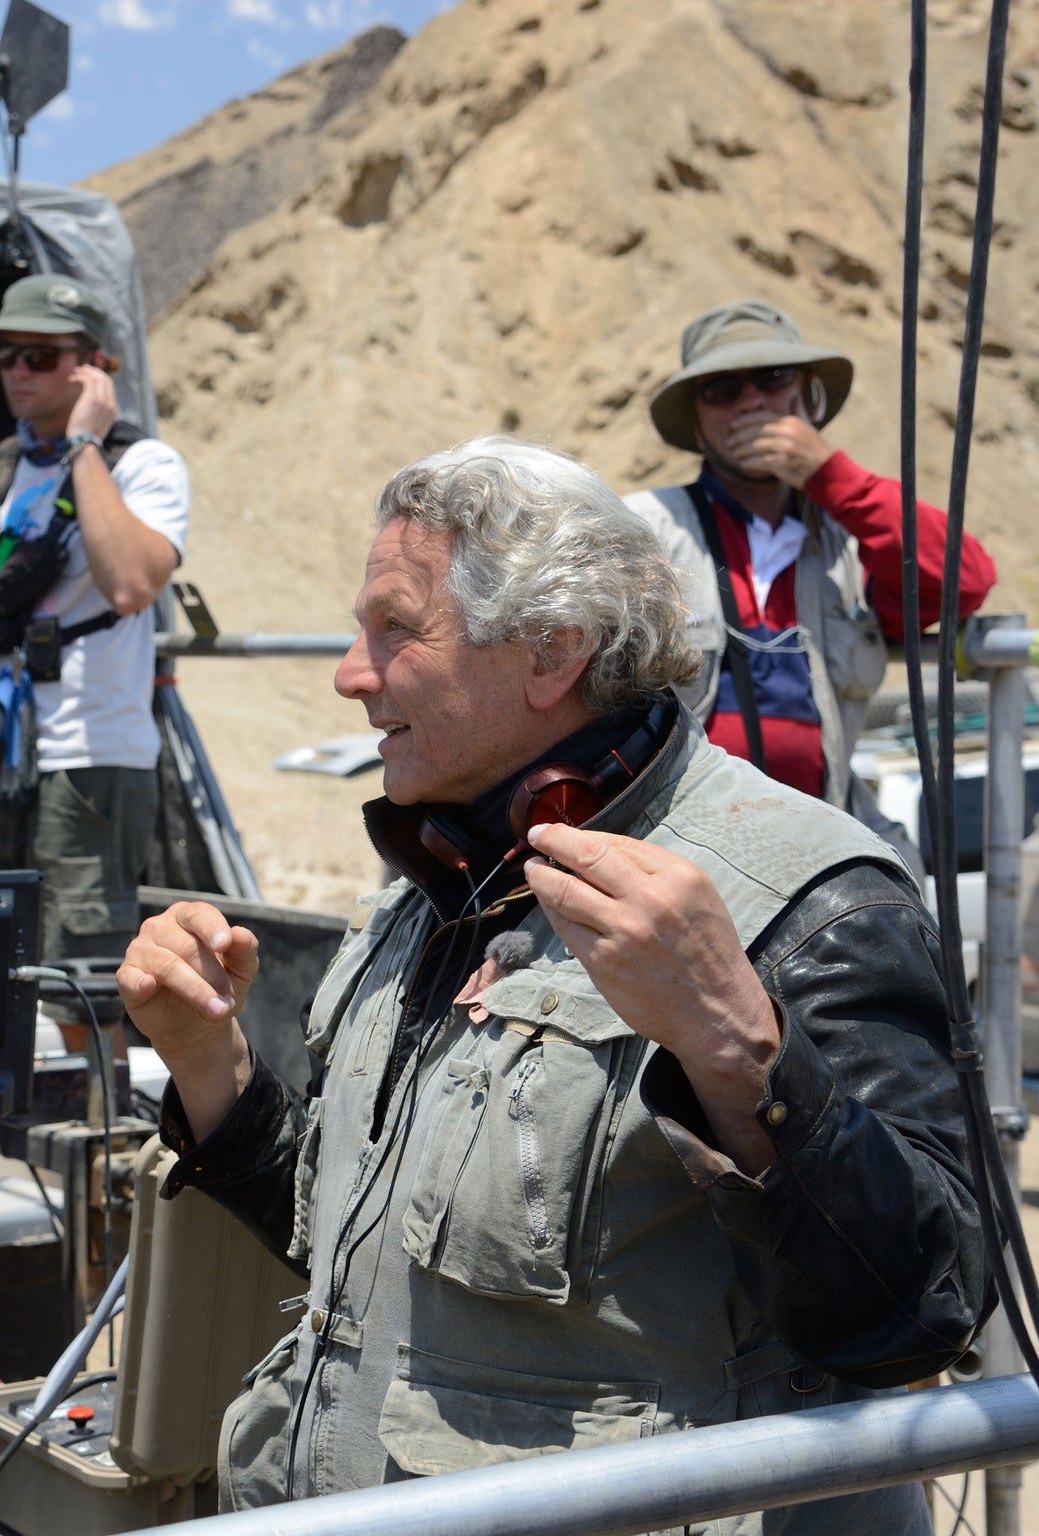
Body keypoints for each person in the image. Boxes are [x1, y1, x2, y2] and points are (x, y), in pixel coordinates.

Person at [122, 438, 986, 1532]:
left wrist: (736, 1050)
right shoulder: (442, 873)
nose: (349, 670)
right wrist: (212, 1070)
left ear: (551, 653)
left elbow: (916, 1311)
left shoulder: (808, 897)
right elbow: (366, 1256)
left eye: (396, 628)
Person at [0, 274, 188, 992]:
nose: (17, 371)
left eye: (40, 356)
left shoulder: (144, 465)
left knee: (79, 982)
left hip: (91, 760)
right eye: (6, 356)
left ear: (93, 369)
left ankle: (94, 1106)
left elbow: (129, 584)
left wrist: (84, 444)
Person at [625, 300, 995, 809]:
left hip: (825, 829)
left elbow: (961, 581)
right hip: (678, 835)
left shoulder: (854, 543)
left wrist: (829, 475)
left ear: (808, 396)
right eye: (724, 389)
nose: (753, 402)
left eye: (773, 379)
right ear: (697, 417)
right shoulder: (645, 529)